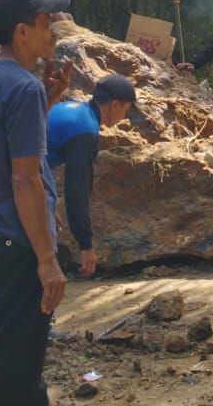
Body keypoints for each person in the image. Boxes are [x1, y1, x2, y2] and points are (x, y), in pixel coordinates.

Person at [0, 0, 73, 406]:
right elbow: (23, 179)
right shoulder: (22, 87)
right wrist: (47, 260)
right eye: (46, 23)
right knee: (3, 370)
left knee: (19, 363)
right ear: (22, 32)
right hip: (17, 242)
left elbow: (2, 147)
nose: (53, 32)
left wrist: (47, 100)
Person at [45, 74, 141, 277]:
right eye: (126, 110)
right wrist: (85, 245)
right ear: (115, 105)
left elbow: (38, 158)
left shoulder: (75, 110)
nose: (124, 117)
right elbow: (77, 190)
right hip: (10, 181)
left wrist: (45, 202)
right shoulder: (84, 130)